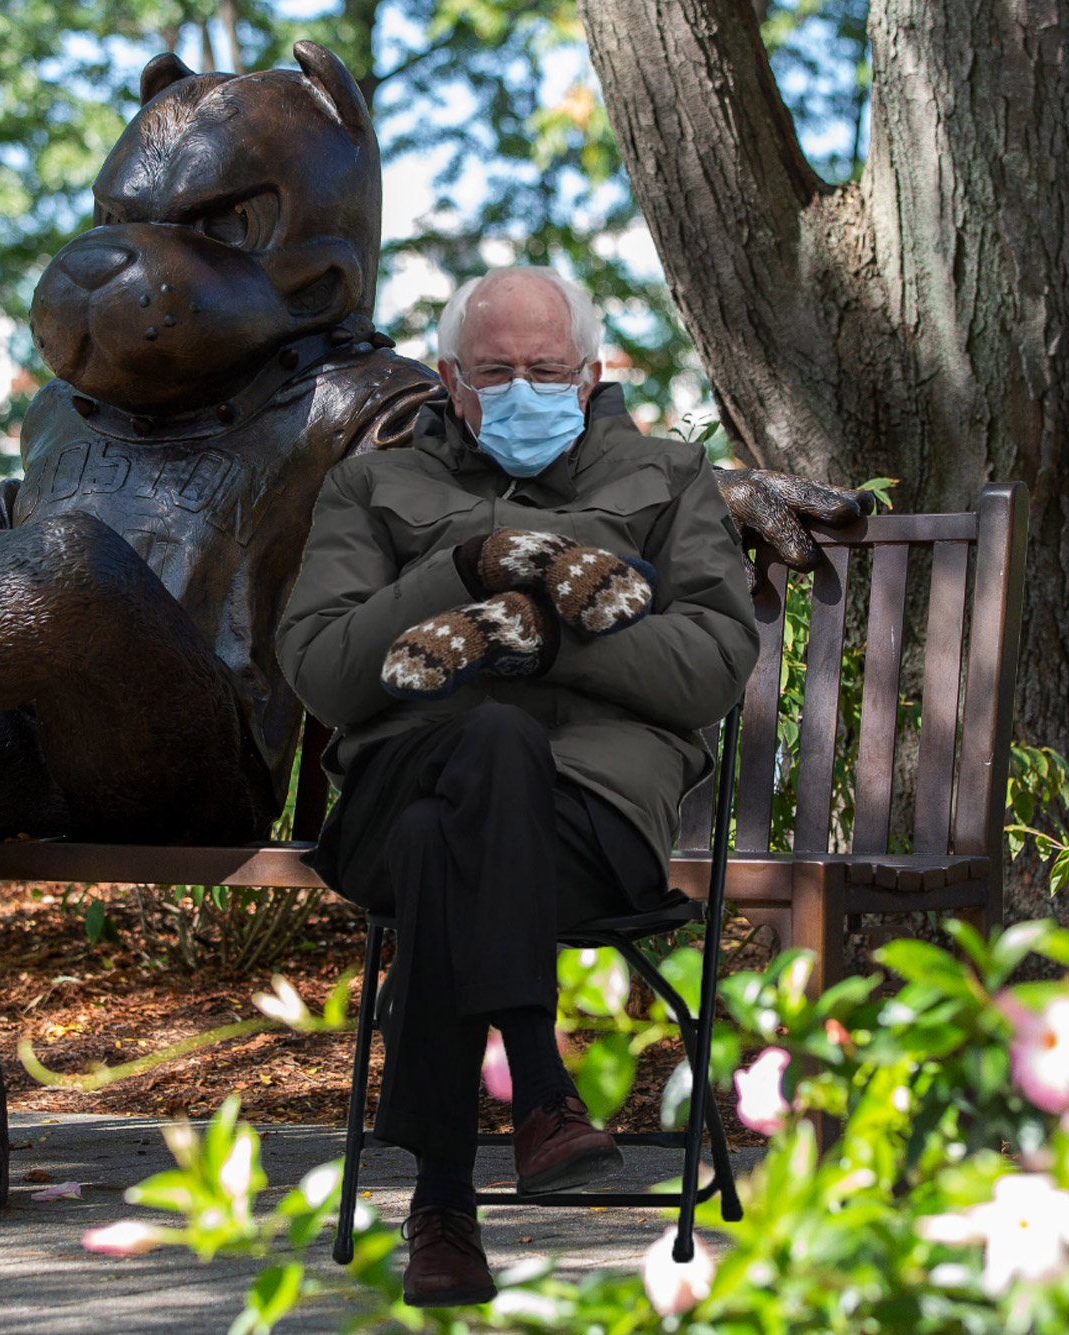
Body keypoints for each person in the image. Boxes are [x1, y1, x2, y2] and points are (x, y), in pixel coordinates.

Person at [275, 266, 760, 1306]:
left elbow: (709, 666)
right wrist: (461, 565)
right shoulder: (371, 486)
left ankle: (441, 1208)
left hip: (584, 830)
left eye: (545, 369)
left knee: (446, 833)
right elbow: (319, 669)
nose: (522, 388)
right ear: (450, 381)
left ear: (590, 374)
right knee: (477, 753)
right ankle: (537, 1090)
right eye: (495, 371)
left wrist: (537, 644)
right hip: (393, 791)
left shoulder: (669, 478)